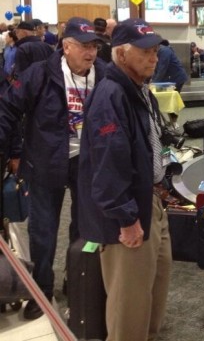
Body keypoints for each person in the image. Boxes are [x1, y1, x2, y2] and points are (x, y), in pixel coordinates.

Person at [0, 17, 107, 320]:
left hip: (88, 163)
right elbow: (8, 109)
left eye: (94, 46)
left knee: (84, 229)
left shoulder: (105, 75)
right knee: (43, 232)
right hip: (45, 161)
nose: (91, 52)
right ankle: (41, 291)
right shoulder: (41, 74)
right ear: (67, 46)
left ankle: (78, 282)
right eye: (84, 46)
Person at [77, 18, 172, 341]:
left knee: (151, 293)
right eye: (145, 52)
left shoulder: (139, 91)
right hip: (128, 215)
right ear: (120, 54)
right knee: (128, 303)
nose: (153, 58)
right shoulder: (111, 95)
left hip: (151, 201)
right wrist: (126, 217)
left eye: (156, 51)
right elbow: (108, 164)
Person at [153, 41, 189, 129]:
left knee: (172, 100)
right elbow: (156, 68)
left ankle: (174, 123)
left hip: (177, 78)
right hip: (169, 79)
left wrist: (154, 83)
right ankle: (171, 121)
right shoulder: (158, 51)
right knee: (168, 100)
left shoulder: (164, 51)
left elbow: (162, 68)